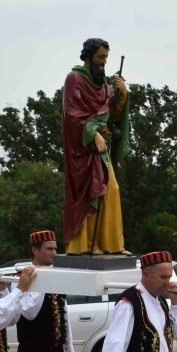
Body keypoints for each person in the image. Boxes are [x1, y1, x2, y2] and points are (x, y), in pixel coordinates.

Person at [63, 37, 129, 255]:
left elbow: (112, 117)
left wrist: (122, 95)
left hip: (102, 149)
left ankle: (111, 244)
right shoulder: (74, 79)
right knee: (92, 193)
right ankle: (85, 245)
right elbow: (72, 114)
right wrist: (93, 135)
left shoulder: (103, 86)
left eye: (106, 58)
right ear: (88, 56)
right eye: (100, 57)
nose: (104, 62)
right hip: (84, 150)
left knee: (111, 191)